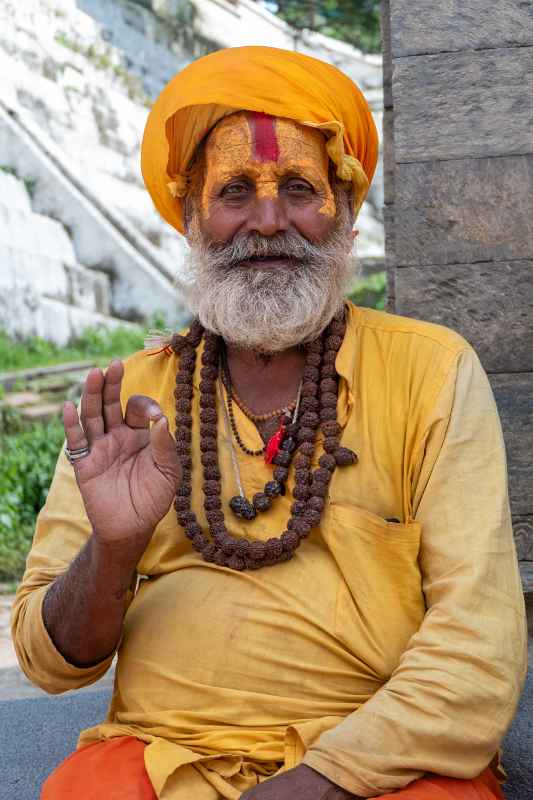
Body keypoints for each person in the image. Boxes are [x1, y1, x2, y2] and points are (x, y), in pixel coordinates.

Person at [12, 46, 527, 800]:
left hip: (380, 764)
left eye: (297, 188)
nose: (266, 220)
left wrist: (320, 779)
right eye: (233, 192)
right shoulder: (132, 399)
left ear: (344, 216)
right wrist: (114, 548)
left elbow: (478, 645)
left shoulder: (431, 372)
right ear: (192, 219)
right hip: (163, 755)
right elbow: (48, 661)